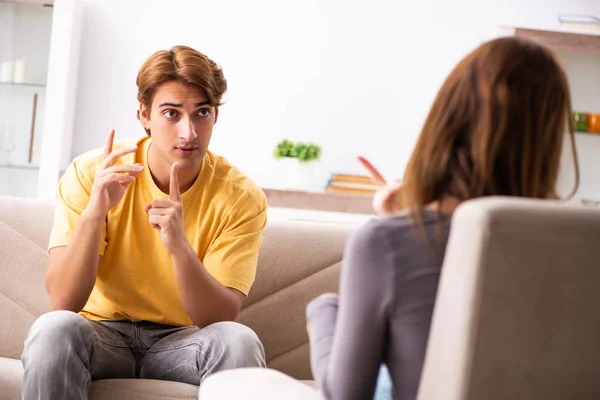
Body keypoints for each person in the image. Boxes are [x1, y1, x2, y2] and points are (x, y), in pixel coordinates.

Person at [198, 36, 580, 400]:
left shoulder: (388, 242)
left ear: (448, 120)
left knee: (229, 387)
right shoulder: (579, 248)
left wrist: (326, 311)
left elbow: (346, 393)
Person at [21, 45, 268, 400]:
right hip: (100, 334)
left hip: (183, 342)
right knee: (53, 328)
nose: (189, 132)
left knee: (239, 340)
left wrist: (180, 247)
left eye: (202, 113)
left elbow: (220, 318)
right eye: (171, 113)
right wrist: (95, 213)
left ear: (216, 116)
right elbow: (63, 300)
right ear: (144, 115)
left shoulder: (240, 196)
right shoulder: (92, 173)